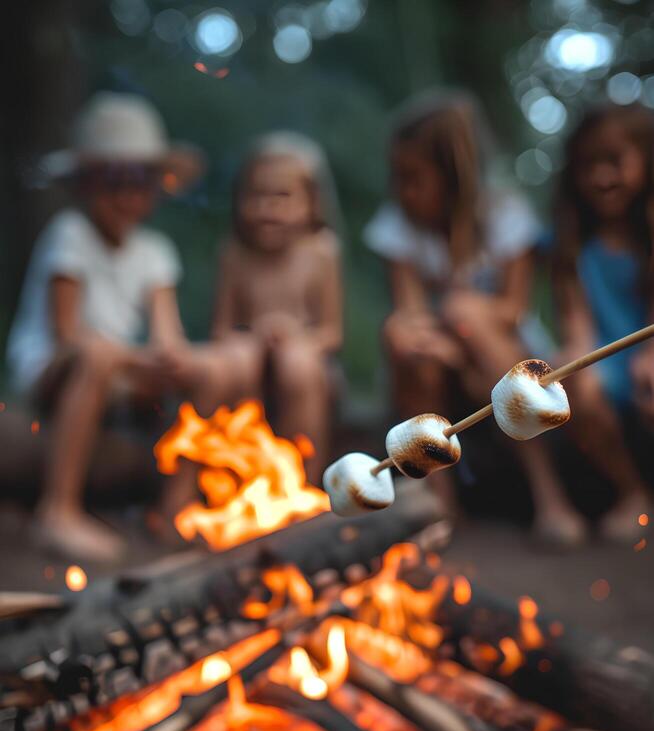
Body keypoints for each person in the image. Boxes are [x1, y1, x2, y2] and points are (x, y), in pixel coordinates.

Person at [364, 89, 585, 545]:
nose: (402, 191)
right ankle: (441, 504)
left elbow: (511, 309)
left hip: (512, 359)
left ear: (452, 176)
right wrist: (421, 337)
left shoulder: (505, 216)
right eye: (397, 178)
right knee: (400, 339)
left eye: (414, 178)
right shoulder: (398, 226)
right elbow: (409, 315)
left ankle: (551, 496)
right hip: (440, 362)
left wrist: (457, 329)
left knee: (467, 311)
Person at [6, 91, 210, 562]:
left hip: (119, 371)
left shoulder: (155, 251)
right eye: (113, 181)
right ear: (86, 185)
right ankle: (57, 509)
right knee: (97, 354)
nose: (128, 196)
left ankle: (175, 505)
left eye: (140, 181)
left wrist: (174, 360)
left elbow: (167, 336)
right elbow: (67, 334)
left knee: (212, 366)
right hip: (57, 369)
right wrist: (132, 360)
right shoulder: (69, 235)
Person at [209, 132, 343, 483]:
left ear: (312, 202)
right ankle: (239, 479)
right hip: (249, 357)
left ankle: (304, 483)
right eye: (256, 195)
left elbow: (332, 333)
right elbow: (220, 330)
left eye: (282, 196)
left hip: (303, 363)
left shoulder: (321, 252)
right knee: (236, 358)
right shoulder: (235, 254)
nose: (268, 208)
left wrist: (297, 339)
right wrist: (253, 339)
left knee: (298, 364)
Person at [552, 102, 653, 542]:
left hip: (648, 353)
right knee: (574, 381)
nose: (601, 177)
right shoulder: (572, 243)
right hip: (608, 359)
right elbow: (577, 325)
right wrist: (572, 361)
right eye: (588, 165)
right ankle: (633, 493)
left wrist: (650, 356)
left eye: (614, 162)